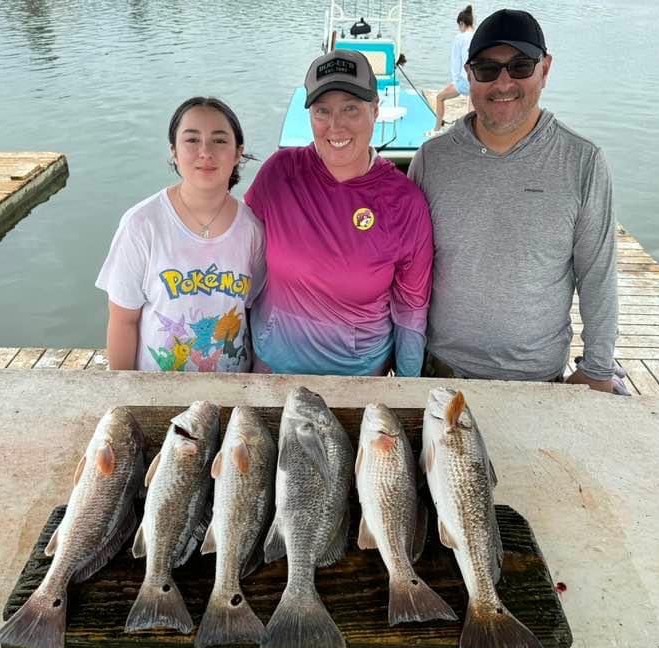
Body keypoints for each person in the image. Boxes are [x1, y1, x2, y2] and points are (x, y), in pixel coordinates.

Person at [409, 9, 620, 392]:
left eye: (520, 66)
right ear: (469, 74)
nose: (503, 82)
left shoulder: (583, 161)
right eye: (487, 69)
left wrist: (599, 367)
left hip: (538, 379)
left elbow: (598, 275)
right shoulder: (432, 159)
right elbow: (406, 267)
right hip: (440, 372)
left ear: (545, 68)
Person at [245, 49, 433, 376]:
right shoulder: (279, 174)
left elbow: (411, 309)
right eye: (322, 111)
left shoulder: (405, 202)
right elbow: (239, 252)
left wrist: (407, 390)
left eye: (351, 109)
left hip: (358, 379)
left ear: (375, 110)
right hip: (272, 369)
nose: (336, 126)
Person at [96, 97, 265, 372]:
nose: (205, 152)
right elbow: (123, 320)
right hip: (158, 391)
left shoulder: (252, 229)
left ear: (237, 153)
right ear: (174, 151)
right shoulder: (142, 225)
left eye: (219, 140)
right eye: (192, 140)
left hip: (235, 389)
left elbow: (256, 313)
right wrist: (125, 394)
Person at [431, 5, 474, 134]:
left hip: (463, 80)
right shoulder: (476, 36)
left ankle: (437, 129)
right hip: (475, 79)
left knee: (440, 97)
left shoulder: (460, 37)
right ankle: (472, 134)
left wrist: (458, 81)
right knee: (471, 108)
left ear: (462, 23)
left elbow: (458, 61)